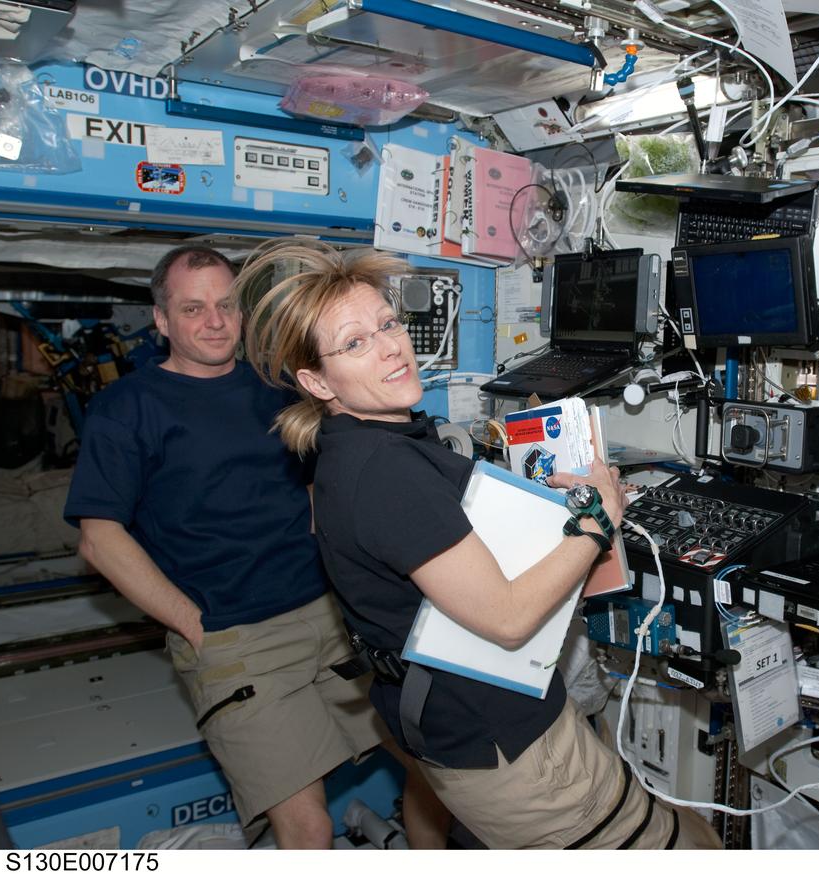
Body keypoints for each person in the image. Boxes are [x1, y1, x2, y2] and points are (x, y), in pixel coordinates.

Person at [237, 238, 723, 850]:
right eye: (355, 343)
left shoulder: (349, 452)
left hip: (461, 728)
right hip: (508, 747)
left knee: (687, 833)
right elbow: (511, 619)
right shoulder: (385, 472)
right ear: (317, 380)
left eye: (388, 323)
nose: (391, 347)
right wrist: (601, 519)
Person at [63, 245, 449, 849]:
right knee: (308, 827)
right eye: (193, 308)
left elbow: (327, 480)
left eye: (226, 305)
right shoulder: (126, 409)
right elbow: (100, 540)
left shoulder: (278, 388)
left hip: (333, 621)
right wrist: (196, 627)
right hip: (236, 641)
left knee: (436, 772)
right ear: (161, 320)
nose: (214, 321)